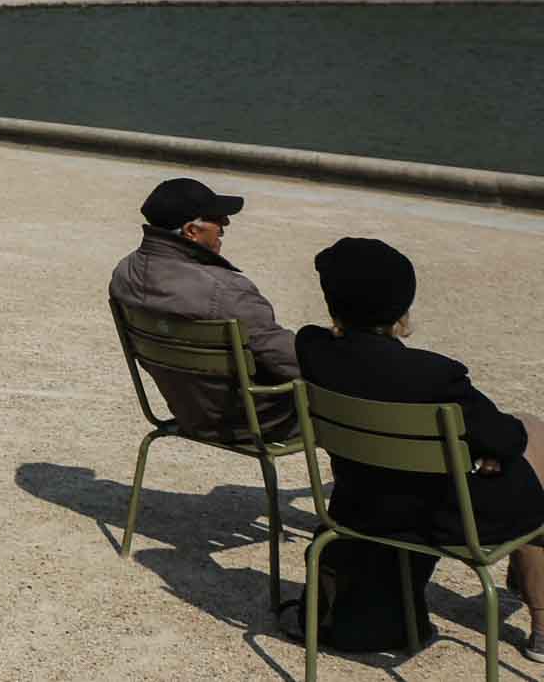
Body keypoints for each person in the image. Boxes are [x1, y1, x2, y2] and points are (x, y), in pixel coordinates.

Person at [297, 237, 544, 655]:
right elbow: (507, 438)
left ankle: (529, 580)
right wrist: (483, 456)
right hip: (437, 515)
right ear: (401, 305)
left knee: (511, 439)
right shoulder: (433, 376)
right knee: (532, 434)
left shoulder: (312, 349)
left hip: (360, 502)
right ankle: (542, 617)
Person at [108, 178, 301, 438]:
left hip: (190, 412)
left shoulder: (124, 274)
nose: (225, 224)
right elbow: (289, 360)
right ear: (191, 231)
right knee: (348, 395)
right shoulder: (225, 290)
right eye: (217, 219)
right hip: (254, 419)